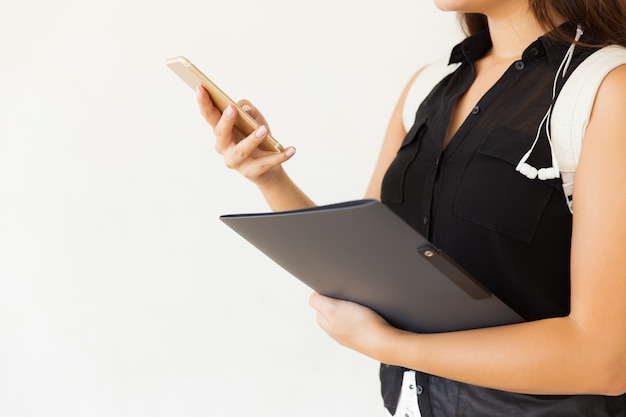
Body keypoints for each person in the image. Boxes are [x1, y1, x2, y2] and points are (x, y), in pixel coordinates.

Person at [196, 1, 626, 415]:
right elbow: (363, 261)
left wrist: (392, 347)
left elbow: (605, 359)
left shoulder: (608, 90)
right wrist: (269, 177)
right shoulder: (431, 84)